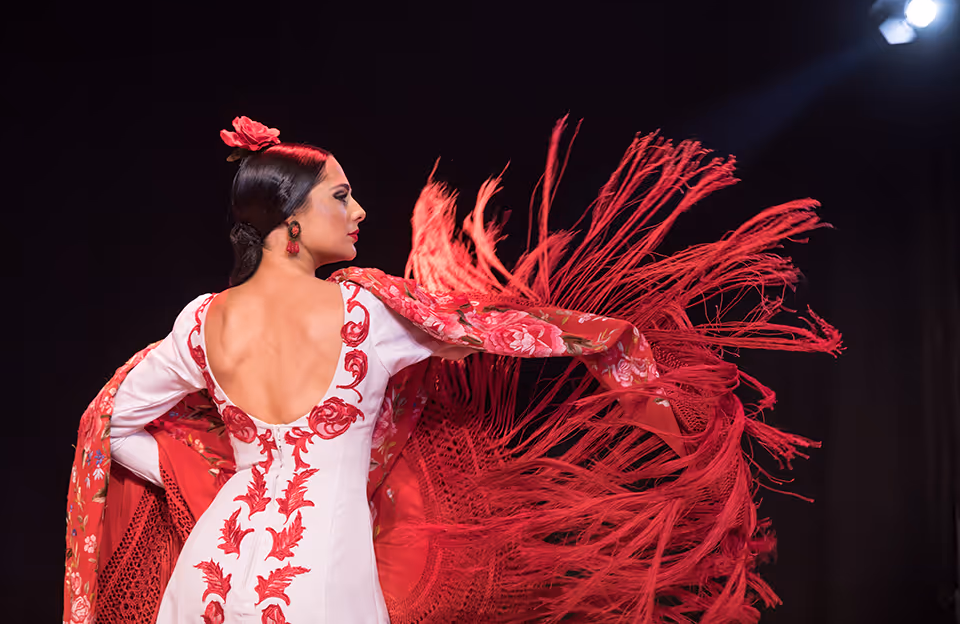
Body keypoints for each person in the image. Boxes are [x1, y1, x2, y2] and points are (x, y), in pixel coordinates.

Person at [64, 116, 842, 624]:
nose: (361, 208)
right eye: (343, 194)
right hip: (317, 583)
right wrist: (623, 351)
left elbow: (111, 422)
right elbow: (506, 332)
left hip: (212, 576)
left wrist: (205, 479)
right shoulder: (369, 313)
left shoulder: (201, 320)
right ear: (292, 221)